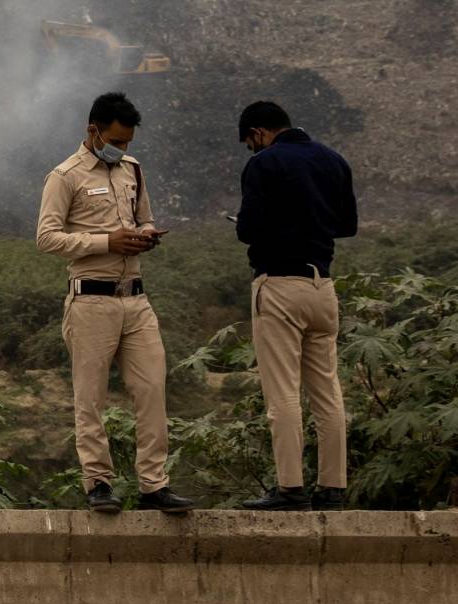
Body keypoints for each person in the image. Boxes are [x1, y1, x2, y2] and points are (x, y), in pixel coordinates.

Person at [37, 92, 196, 514]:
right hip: (91, 299)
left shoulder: (133, 171)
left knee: (151, 390)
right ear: (93, 130)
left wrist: (145, 235)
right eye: (117, 140)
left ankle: (154, 485)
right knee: (91, 398)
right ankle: (99, 483)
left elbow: (143, 217)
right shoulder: (64, 176)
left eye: (127, 142)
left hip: (136, 298)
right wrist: (106, 241)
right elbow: (47, 237)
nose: (123, 149)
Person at [233, 102, 358, 512]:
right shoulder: (333, 160)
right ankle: (333, 487)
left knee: (283, 392)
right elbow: (347, 225)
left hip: (280, 284)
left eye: (250, 143)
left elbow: (247, 229)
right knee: (327, 391)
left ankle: (290, 488)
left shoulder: (264, 165)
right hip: (323, 285)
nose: (252, 150)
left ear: (259, 132)